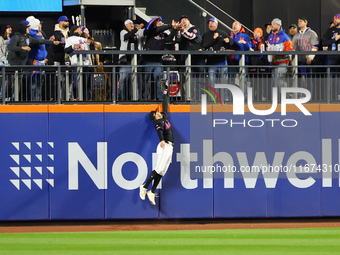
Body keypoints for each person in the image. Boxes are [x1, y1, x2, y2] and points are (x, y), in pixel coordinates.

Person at [140, 87, 174, 206]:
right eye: (157, 113)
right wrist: (162, 140)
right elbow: (159, 131)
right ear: (155, 116)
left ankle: (152, 191)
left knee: (162, 171)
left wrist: (165, 94)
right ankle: (144, 187)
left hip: (169, 146)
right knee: (159, 169)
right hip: (165, 145)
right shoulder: (157, 123)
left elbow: (165, 106)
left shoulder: (163, 118)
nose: (159, 112)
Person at [143, 16, 178, 100]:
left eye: (162, 22)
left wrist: (175, 29)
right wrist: (171, 26)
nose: (161, 23)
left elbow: (169, 39)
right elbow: (157, 30)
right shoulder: (152, 31)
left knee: (159, 79)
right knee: (144, 80)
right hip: (147, 60)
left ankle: (160, 98)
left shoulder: (163, 34)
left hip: (158, 60)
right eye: (160, 22)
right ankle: (142, 98)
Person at [201, 17, 233, 101]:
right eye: (209, 23)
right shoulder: (206, 34)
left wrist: (228, 40)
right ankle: (213, 101)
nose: (210, 24)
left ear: (216, 24)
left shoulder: (222, 33)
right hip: (211, 63)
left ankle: (224, 100)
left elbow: (231, 43)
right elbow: (204, 45)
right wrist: (214, 38)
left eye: (212, 22)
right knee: (212, 83)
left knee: (224, 83)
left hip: (222, 62)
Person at [177, 15, 204, 99]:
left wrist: (182, 30)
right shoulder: (179, 31)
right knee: (189, 80)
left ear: (189, 21)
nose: (184, 21)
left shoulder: (194, 29)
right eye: (182, 20)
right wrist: (177, 29)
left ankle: (200, 97)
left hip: (197, 59)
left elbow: (191, 36)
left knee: (199, 79)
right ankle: (190, 97)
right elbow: (177, 39)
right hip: (186, 59)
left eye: (185, 19)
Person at [292, 17, 319, 97]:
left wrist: (310, 57)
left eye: (301, 21)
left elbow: (315, 46)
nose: (299, 23)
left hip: (308, 60)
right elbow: (292, 48)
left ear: (305, 23)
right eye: (298, 21)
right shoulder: (296, 35)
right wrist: (292, 58)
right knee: (298, 78)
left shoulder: (312, 33)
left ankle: (309, 96)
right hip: (298, 60)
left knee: (309, 78)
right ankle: (299, 95)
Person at [118, 19, 144, 100]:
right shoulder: (123, 32)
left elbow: (142, 33)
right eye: (130, 24)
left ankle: (136, 99)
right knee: (123, 80)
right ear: (126, 25)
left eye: (133, 24)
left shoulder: (136, 33)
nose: (132, 25)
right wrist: (137, 28)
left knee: (136, 81)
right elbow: (127, 36)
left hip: (136, 60)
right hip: (125, 61)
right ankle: (121, 98)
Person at [267, 18, 294, 93]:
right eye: (271, 24)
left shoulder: (285, 37)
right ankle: (278, 99)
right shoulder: (270, 36)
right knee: (274, 82)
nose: (271, 26)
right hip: (273, 63)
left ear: (278, 25)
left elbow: (290, 50)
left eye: (273, 24)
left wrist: (278, 54)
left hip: (282, 62)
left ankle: (285, 97)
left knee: (279, 81)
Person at [322, 14, 340, 99]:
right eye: (334, 19)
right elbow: (324, 42)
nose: (335, 20)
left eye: (337, 19)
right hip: (332, 57)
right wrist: (334, 40)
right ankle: (329, 97)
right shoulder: (330, 30)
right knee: (330, 77)